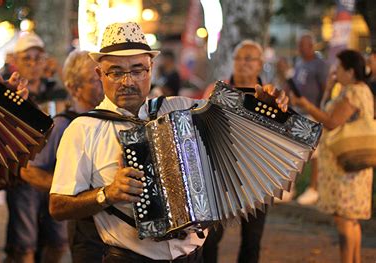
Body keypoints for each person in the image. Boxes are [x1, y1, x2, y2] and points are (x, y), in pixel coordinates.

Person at [49, 22, 288, 262]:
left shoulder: (182, 108)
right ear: (99, 74)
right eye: (116, 71)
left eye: (137, 69)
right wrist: (107, 194)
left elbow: (239, 129)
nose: (128, 81)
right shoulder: (83, 129)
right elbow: (58, 206)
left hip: (194, 256)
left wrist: (266, 110)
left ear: (151, 69)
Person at [291, 49, 373, 263]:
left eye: (338, 68)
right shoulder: (356, 90)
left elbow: (331, 121)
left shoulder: (353, 92)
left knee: (345, 220)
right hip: (350, 164)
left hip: (346, 166)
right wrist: (329, 88)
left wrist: (305, 105)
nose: (335, 71)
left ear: (350, 71)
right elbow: (327, 111)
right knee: (350, 220)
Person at [201, 40, 280, 263]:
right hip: (221, 176)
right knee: (210, 239)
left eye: (249, 58)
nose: (243, 63)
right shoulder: (216, 90)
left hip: (259, 177)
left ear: (260, 64)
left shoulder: (271, 97)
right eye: (239, 58)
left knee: (252, 240)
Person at [23, 50, 105, 263]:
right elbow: (30, 171)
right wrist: (71, 190)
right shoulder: (63, 124)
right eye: (94, 80)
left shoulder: (108, 117)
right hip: (85, 228)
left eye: (103, 76)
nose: (103, 84)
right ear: (74, 88)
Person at [4, 31, 66, 263]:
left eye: (37, 58)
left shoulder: (57, 90)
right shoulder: (9, 92)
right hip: (23, 173)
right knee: (24, 243)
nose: (32, 64)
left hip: (55, 173)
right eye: (26, 58)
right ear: (16, 61)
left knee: (59, 240)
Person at [292, 33, 329, 206]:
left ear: (311, 46)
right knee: (295, 151)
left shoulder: (320, 65)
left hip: (313, 112)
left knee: (314, 154)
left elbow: (326, 88)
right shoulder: (299, 62)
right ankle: (291, 188)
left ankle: (314, 188)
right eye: (299, 45)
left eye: (303, 45)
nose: (300, 48)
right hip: (298, 111)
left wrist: (319, 109)